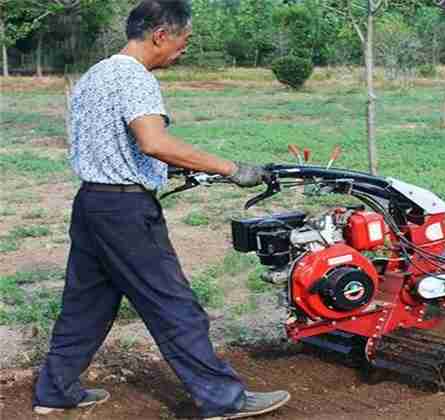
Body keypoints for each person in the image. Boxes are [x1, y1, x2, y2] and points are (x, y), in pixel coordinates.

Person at [32, 1, 290, 418]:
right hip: (126, 212)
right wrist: (232, 169)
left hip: (92, 204)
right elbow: (154, 142)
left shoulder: (96, 74)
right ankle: (223, 399)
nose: (184, 50)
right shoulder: (135, 78)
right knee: (175, 304)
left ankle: (55, 391)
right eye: (184, 41)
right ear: (160, 35)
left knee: (86, 305)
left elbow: (113, 145)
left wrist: (157, 172)